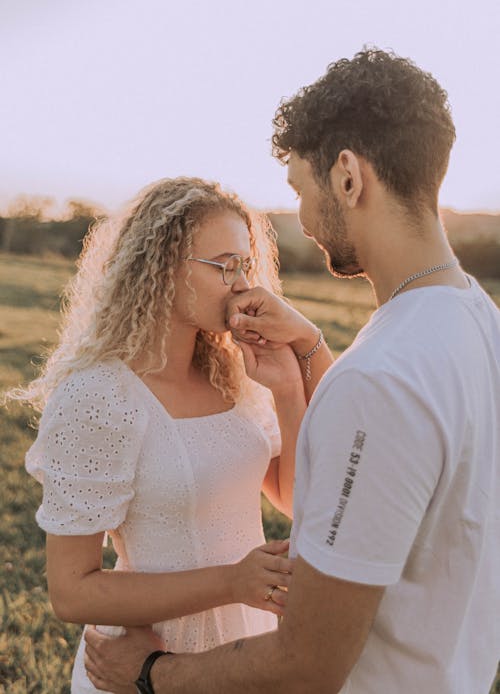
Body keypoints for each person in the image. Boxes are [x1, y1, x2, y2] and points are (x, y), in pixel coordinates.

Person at [84, 49, 500, 694]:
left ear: (348, 178)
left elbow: (306, 665)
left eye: (299, 190)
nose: (302, 217)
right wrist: (307, 349)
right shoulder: (478, 323)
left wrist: (150, 673)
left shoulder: (379, 379)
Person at [17, 177, 309, 693]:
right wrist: (233, 582)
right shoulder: (99, 395)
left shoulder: (234, 376)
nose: (243, 284)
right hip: (144, 658)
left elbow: (292, 497)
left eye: (246, 264)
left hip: (247, 642)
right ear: (162, 269)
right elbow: (72, 593)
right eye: (224, 266)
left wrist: (287, 391)